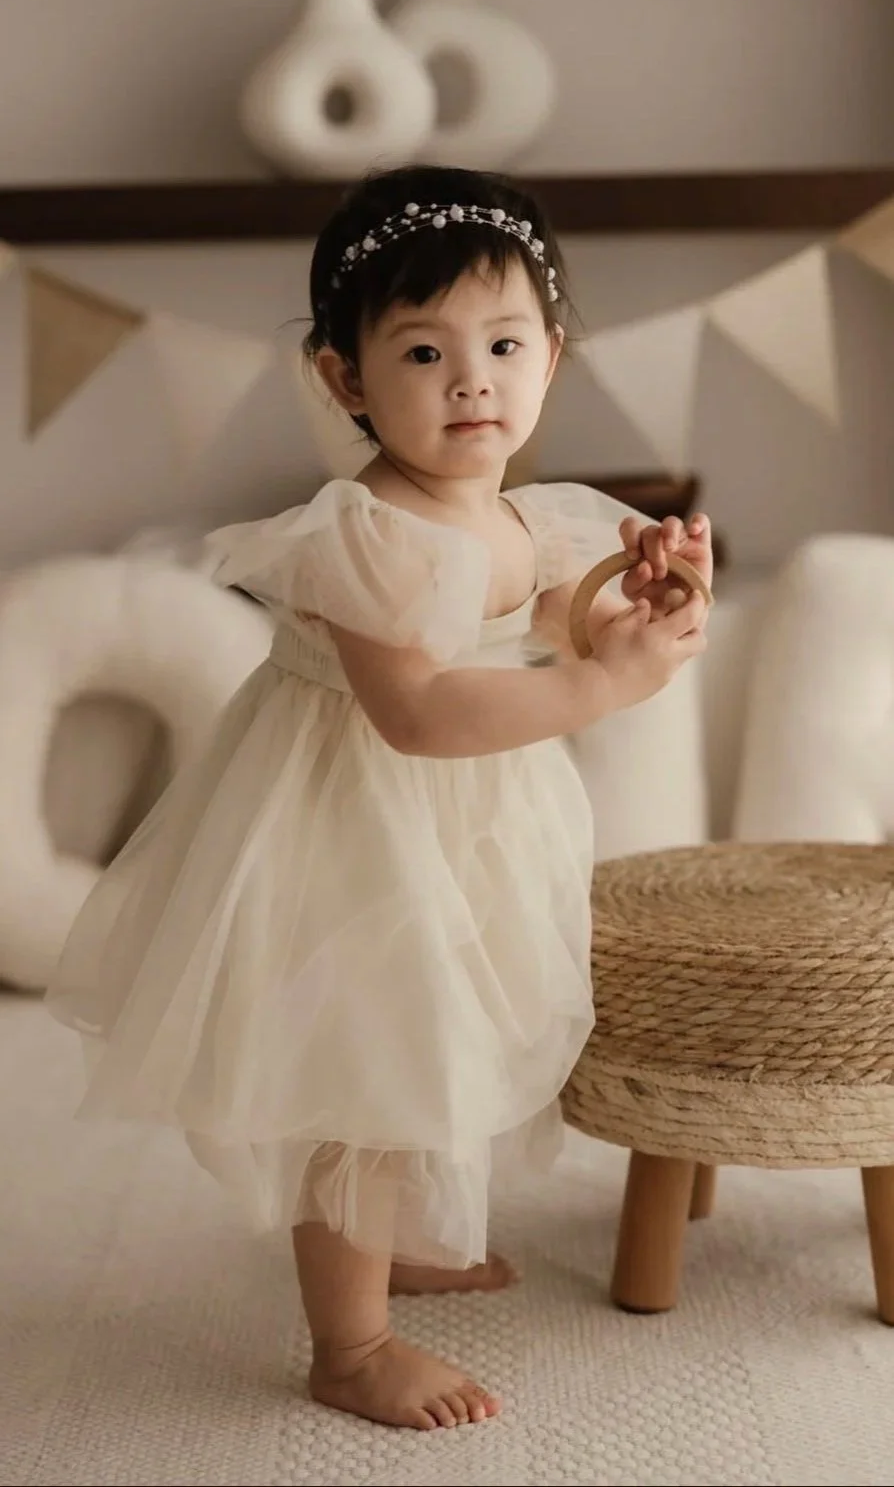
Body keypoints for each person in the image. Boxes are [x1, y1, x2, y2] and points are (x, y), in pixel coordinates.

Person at [46, 164, 712, 1432]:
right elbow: (413, 712)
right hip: (348, 820)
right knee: (357, 1059)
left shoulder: (530, 515)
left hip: (472, 820)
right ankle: (348, 1345)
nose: (473, 379)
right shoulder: (365, 531)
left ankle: (393, 1237)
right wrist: (601, 693)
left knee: (436, 1036)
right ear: (345, 379)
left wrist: (649, 602)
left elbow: (561, 618)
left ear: (551, 360)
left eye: (503, 343)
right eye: (422, 349)